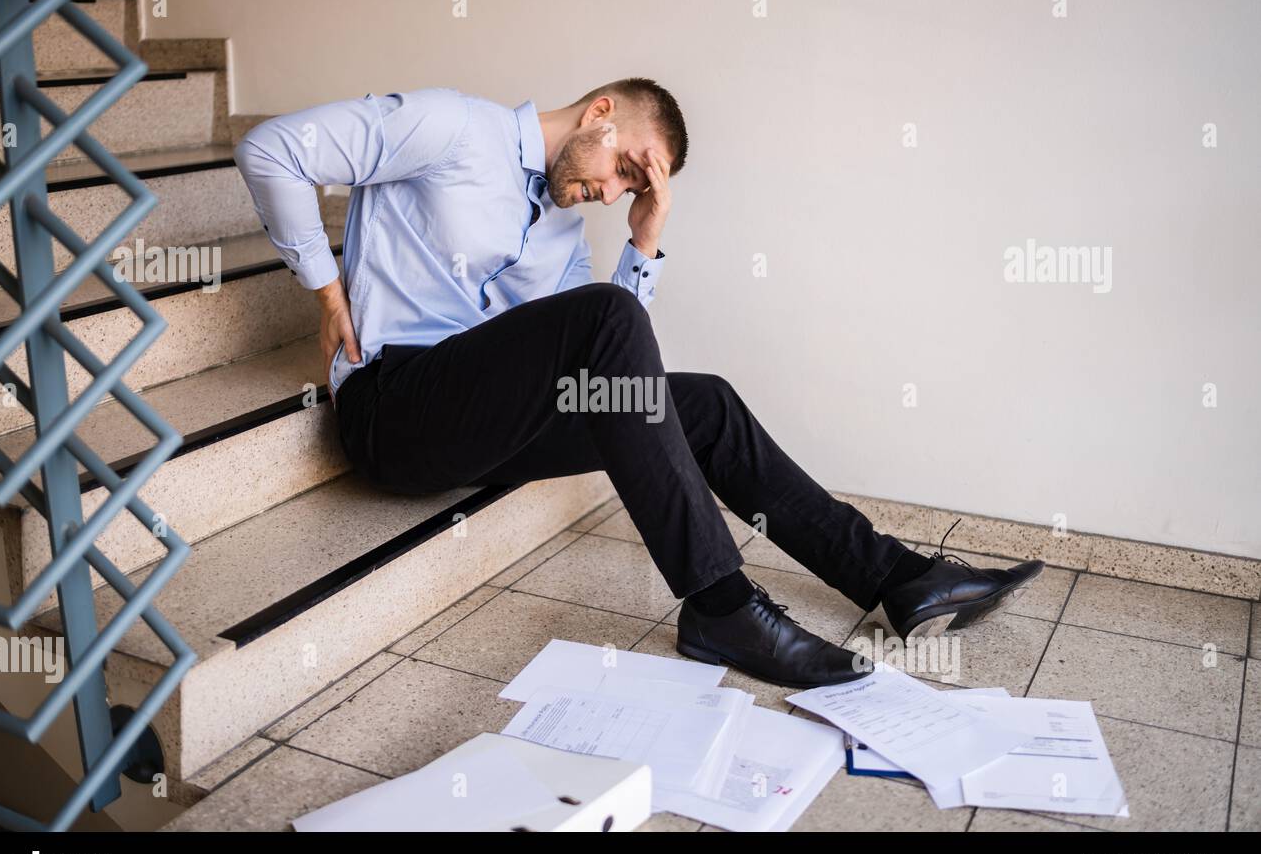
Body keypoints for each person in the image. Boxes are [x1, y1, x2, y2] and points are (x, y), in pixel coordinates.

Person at [234, 78, 1042, 688]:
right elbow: (271, 146)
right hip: (394, 409)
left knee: (706, 401)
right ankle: (722, 606)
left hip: (481, 423)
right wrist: (326, 287)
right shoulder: (452, 127)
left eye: (632, 188)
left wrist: (645, 241)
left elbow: (609, 370)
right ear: (598, 113)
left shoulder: (558, 234)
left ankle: (897, 579)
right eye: (623, 169)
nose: (612, 192)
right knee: (607, 316)